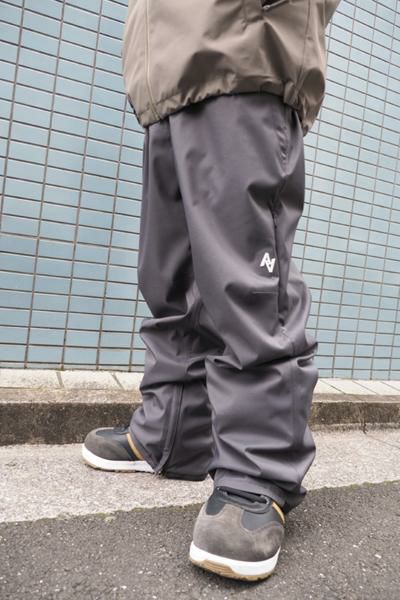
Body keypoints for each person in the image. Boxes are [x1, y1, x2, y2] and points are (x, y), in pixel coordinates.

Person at [82, 0, 341, 581]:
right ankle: (172, 433)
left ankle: (257, 470)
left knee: (245, 282)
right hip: (164, 72)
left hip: (244, 41)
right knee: (171, 280)